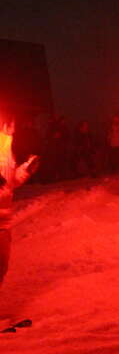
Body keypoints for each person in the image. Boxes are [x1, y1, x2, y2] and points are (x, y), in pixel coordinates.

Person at [0, 115, 38, 289]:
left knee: (1, 265)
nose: (12, 128)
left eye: (13, 124)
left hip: (4, 220)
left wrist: (25, 170)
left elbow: (10, 183)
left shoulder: (7, 150)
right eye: (9, 124)